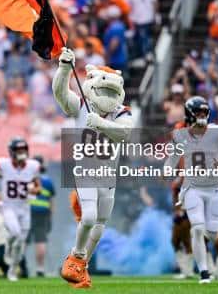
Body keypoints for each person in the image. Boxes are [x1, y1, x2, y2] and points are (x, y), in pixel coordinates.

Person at [53, 48, 132, 288]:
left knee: (100, 225)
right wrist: (64, 69)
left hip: (108, 176)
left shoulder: (122, 112)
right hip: (85, 170)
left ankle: (82, 265)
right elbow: (60, 94)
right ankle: (75, 256)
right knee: (88, 217)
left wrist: (100, 123)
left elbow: (125, 133)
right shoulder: (81, 105)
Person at [164, 96, 218, 283]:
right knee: (197, 228)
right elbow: (172, 159)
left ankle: (215, 258)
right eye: (198, 113)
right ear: (190, 114)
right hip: (192, 188)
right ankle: (204, 272)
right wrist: (166, 170)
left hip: (213, 188)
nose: (202, 115)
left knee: (213, 232)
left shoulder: (216, 132)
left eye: (204, 112)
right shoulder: (180, 135)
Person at [0, 138, 40, 282]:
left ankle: (12, 271)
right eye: (19, 151)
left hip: (25, 208)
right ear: (12, 152)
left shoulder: (32, 166)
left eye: (23, 150)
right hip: (8, 207)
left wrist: (33, 190)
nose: (22, 153)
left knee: (21, 242)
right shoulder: (4, 165)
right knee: (15, 233)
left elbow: (38, 188)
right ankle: (8, 244)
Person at [28, 155, 55, 277]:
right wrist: (50, 217)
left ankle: (18, 266)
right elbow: (52, 201)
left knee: (22, 240)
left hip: (28, 212)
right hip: (43, 213)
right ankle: (40, 268)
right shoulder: (48, 181)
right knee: (41, 241)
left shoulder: (28, 178)